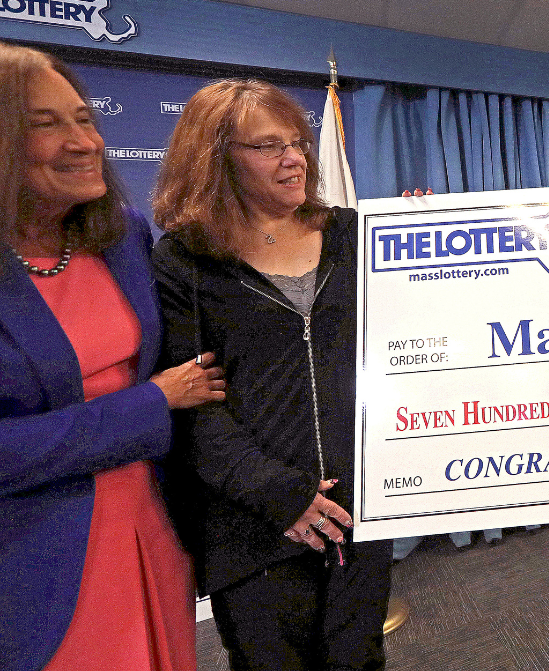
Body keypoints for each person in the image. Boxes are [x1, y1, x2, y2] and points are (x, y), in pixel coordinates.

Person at [151, 79, 393, 671]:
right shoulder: (184, 261)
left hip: (360, 510)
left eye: (298, 143)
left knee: (359, 660)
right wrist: (278, 494)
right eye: (267, 146)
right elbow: (192, 403)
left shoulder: (352, 235)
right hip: (253, 524)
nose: (295, 159)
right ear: (217, 160)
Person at [0, 41, 225, 671]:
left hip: (153, 527)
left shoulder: (123, 234)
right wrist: (151, 404)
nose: (84, 141)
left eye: (83, 119)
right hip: (36, 561)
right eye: (45, 124)